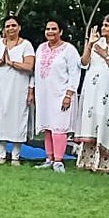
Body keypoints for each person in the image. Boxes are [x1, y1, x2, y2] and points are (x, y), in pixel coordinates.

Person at [74, 14, 109, 173]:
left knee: (107, 121)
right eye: (103, 25)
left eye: (107, 25)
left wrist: (106, 55)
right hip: (92, 90)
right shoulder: (96, 43)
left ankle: (105, 164)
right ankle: (87, 162)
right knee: (91, 121)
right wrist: (90, 44)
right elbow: (83, 63)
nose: (103, 28)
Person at [30, 20, 81, 172]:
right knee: (48, 126)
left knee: (59, 127)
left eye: (54, 29)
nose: (50, 32)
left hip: (61, 94)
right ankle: (49, 158)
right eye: (48, 29)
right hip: (44, 94)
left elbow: (75, 73)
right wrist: (32, 90)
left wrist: (69, 94)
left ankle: (58, 161)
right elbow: (35, 71)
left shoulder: (69, 50)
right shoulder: (41, 48)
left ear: (61, 31)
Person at [0, 15, 36, 164]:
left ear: (19, 27)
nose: (10, 28)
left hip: (18, 88)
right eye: (7, 26)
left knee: (17, 118)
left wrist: (12, 63)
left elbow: (30, 66)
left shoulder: (26, 45)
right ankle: (1, 155)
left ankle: (15, 156)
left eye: (13, 25)